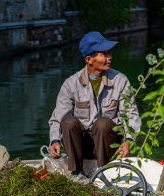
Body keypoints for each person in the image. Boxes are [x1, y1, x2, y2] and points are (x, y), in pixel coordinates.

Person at [48, 31, 141, 179]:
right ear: (89, 59)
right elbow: (57, 119)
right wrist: (55, 141)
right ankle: (76, 173)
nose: (109, 57)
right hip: (81, 147)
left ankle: (104, 173)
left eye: (109, 52)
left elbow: (131, 115)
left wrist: (128, 141)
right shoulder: (71, 84)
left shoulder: (120, 80)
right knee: (68, 121)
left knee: (103, 123)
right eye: (103, 54)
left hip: (108, 145)